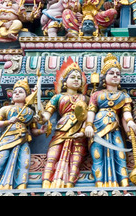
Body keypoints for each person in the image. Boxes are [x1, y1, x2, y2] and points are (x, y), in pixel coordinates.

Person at [84, 53, 136, 187]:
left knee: (119, 154)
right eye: (111, 73)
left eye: (118, 74)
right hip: (97, 127)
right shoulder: (96, 94)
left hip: (114, 127)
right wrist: (88, 125)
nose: (115, 76)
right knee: (98, 156)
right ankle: (100, 184)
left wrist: (130, 122)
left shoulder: (123, 96)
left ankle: (123, 183)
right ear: (104, 77)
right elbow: (91, 111)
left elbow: (126, 113)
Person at [40, 57, 89, 188]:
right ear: (65, 82)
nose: (76, 80)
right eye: (73, 77)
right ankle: (46, 181)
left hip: (79, 130)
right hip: (62, 128)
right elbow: (47, 113)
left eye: (79, 78)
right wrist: (42, 117)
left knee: (76, 159)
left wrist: (84, 130)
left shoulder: (86, 98)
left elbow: (90, 117)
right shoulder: (58, 97)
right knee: (52, 156)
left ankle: (69, 184)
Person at [0, 78, 44, 190]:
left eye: (21, 92)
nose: (17, 93)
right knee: (0, 161)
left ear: (27, 96)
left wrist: (40, 131)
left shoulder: (30, 112)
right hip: (7, 139)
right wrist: (8, 121)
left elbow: (33, 131)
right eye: (15, 92)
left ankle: (21, 186)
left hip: (23, 140)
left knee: (24, 162)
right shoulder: (5, 109)